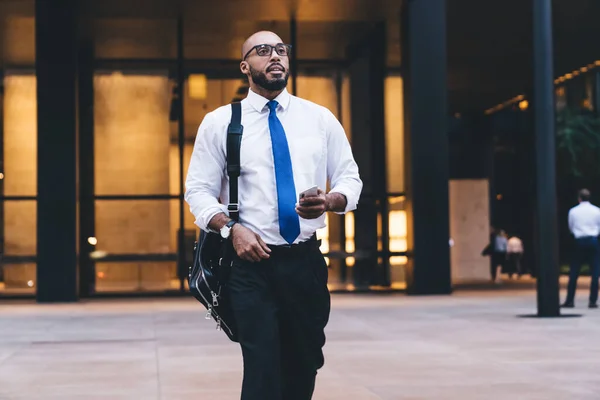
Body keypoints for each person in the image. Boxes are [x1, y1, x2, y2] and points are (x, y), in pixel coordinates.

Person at [184, 31, 363, 400]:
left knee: (304, 362)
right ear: (245, 66)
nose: (275, 56)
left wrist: (331, 199)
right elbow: (198, 191)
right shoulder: (221, 122)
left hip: (305, 261)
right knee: (263, 367)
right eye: (263, 51)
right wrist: (231, 228)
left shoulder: (319, 119)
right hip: (249, 265)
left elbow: (350, 176)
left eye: (281, 50)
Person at [562, 188, 600, 309]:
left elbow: (571, 227)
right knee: (595, 271)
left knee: (574, 271)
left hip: (579, 241)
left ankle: (570, 300)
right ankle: (592, 301)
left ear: (579, 198)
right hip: (593, 240)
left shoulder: (573, 211)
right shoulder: (597, 211)